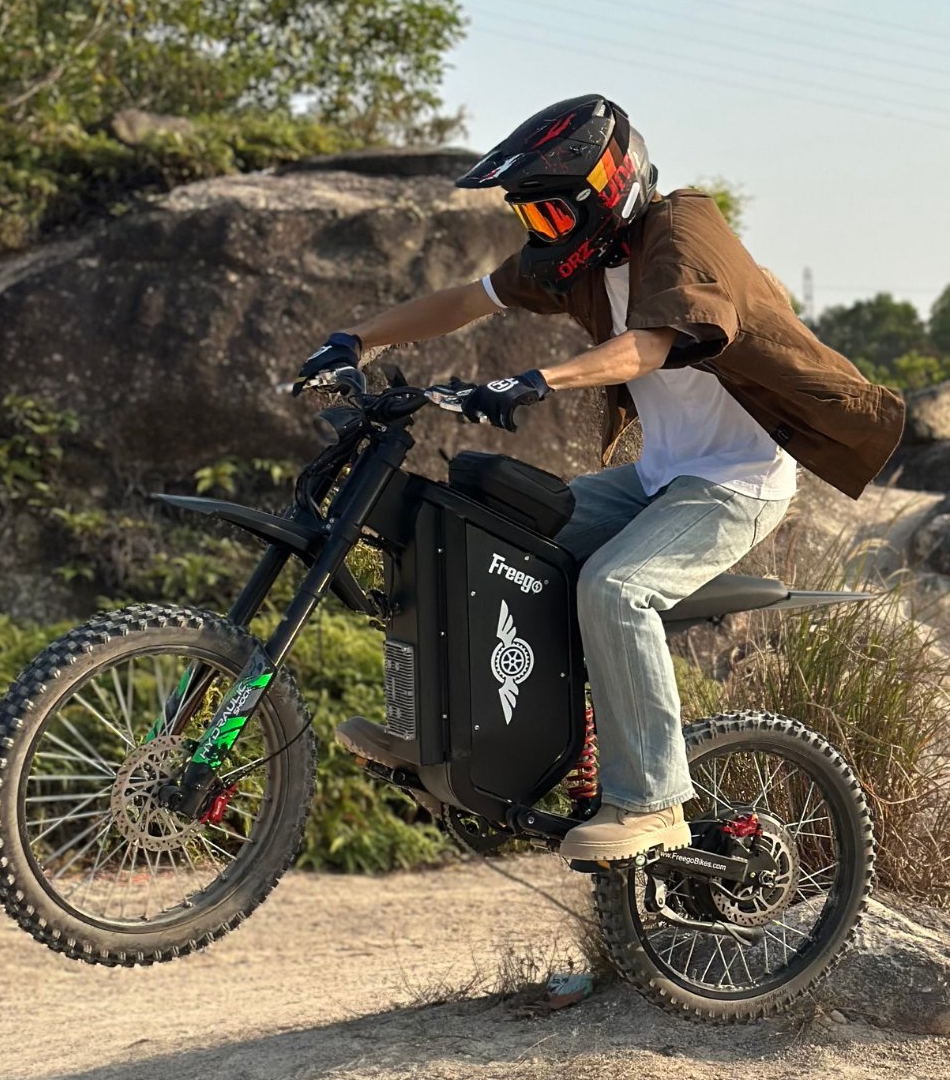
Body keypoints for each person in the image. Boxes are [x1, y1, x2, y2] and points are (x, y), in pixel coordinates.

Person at [295, 94, 904, 864]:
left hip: (735, 484)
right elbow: (462, 301)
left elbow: (651, 345)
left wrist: (534, 381)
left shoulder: (684, 232)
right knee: (481, 538)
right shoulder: (579, 258)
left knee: (617, 589)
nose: (544, 237)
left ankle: (652, 801)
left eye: (552, 217)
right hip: (659, 476)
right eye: (533, 223)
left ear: (608, 189)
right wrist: (355, 338)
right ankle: (435, 730)